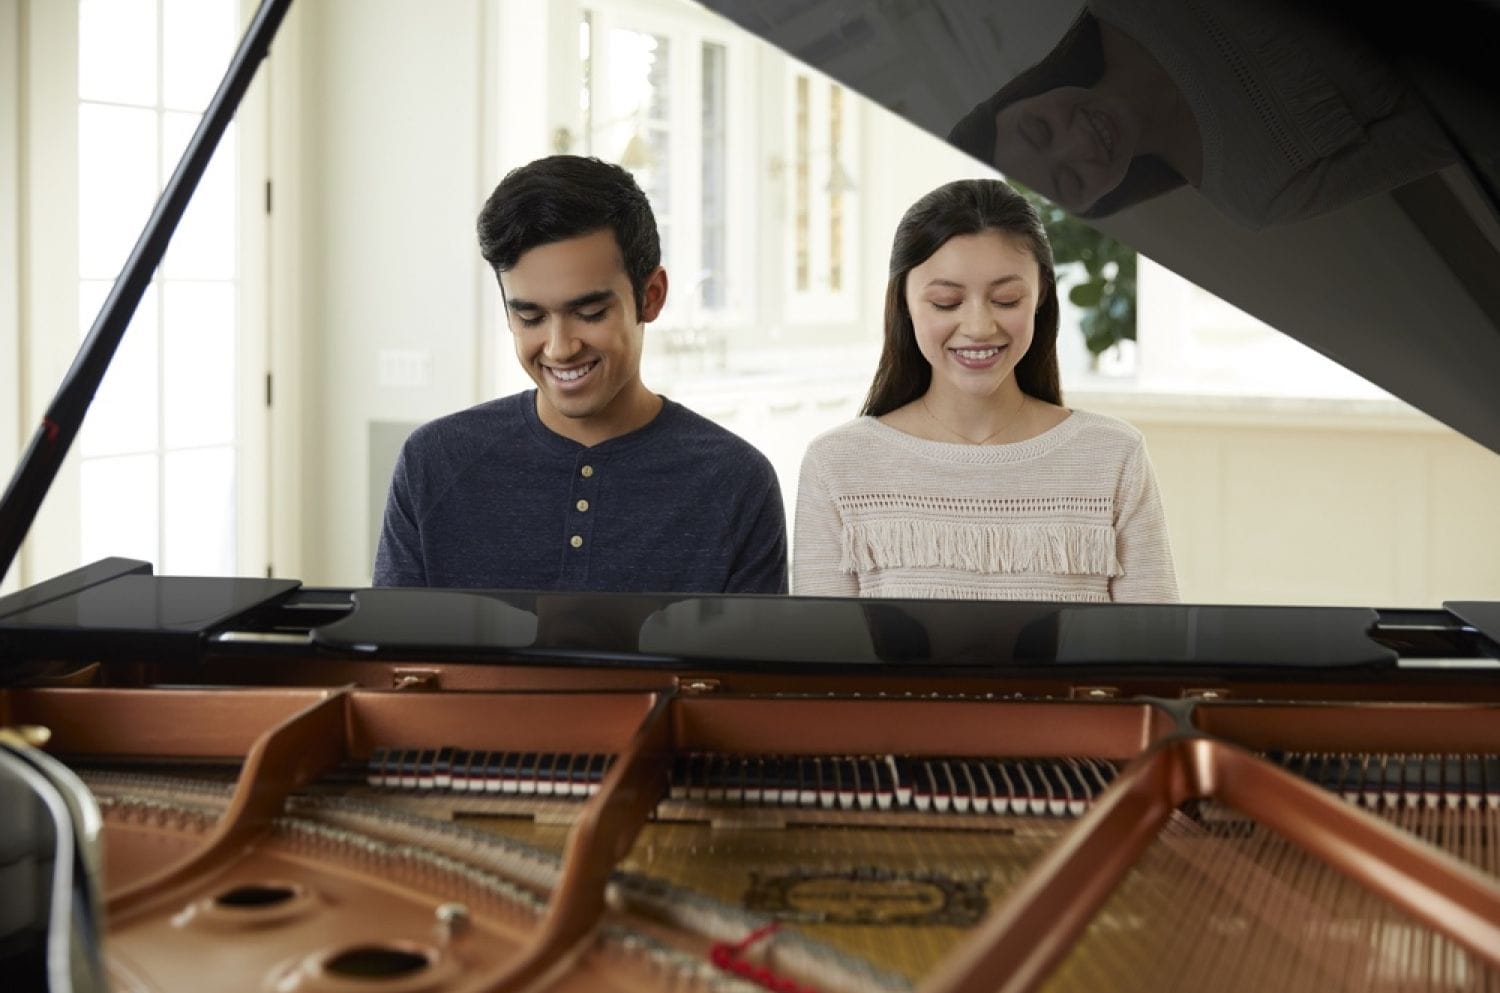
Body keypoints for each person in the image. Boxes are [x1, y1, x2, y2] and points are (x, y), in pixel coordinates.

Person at [374, 155, 787, 594]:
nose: (559, 348)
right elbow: (393, 657)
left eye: (589, 313)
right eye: (530, 318)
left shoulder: (737, 483)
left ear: (652, 297)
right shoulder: (432, 463)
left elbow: (747, 665)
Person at [793, 178, 1177, 603]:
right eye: (945, 302)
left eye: (1007, 299)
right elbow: (823, 667)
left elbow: (1154, 662)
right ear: (903, 300)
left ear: (1041, 296)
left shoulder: (1113, 457)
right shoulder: (838, 466)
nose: (978, 327)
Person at [946, 0, 1454, 229]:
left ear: (1022, 94)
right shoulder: (1257, 193)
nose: (1081, 145)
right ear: (1095, 201)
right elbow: (1453, 133)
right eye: (1071, 181)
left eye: (1039, 130)